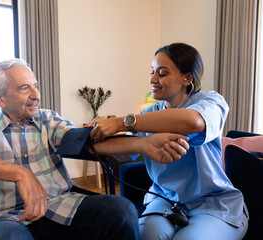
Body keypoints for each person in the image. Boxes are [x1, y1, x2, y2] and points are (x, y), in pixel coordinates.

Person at [0, 58, 190, 240]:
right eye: (24, 88)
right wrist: (20, 174)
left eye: (35, 85)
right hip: (4, 217)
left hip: (60, 205)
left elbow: (87, 141)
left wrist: (143, 143)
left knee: (121, 210)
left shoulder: (47, 119)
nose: (36, 95)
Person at [87, 43, 249, 240]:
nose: (152, 79)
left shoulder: (211, 102)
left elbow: (193, 122)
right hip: (164, 199)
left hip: (213, 203)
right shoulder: (147, 115)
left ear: (187, 78)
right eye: (152, 72)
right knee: (144, 235)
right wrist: (98, 133)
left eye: (162, 74)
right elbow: (124, 153)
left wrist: (122, 122)